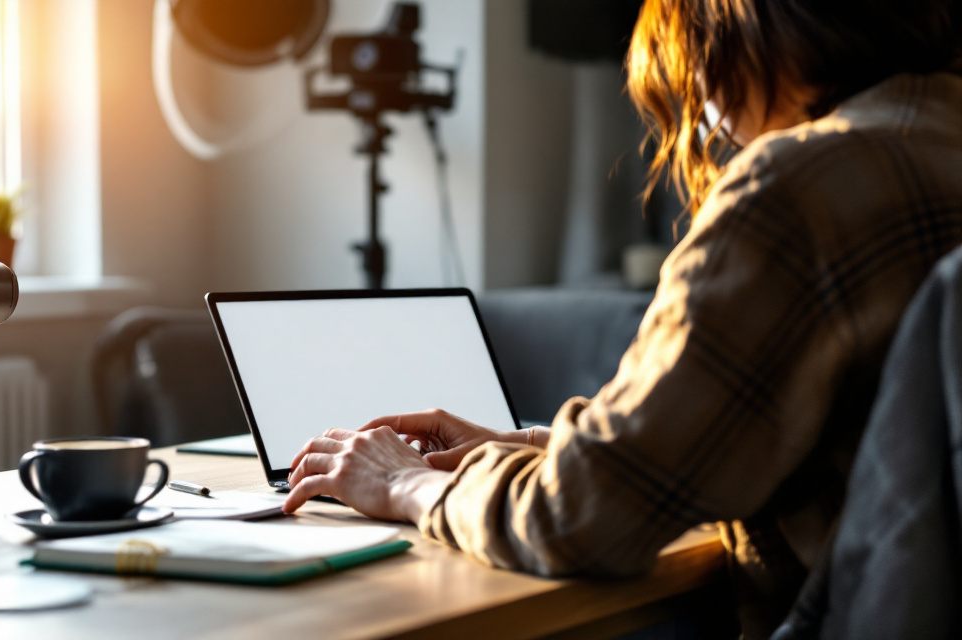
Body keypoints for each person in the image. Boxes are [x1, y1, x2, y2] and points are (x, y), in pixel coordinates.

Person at [283, 0, 962, 637]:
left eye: (693, 63)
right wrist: (525, 449)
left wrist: (405, 481)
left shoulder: (795, 190)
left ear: (737, 29)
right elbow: (762, 443)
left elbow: (579, 519)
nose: (702, 114)